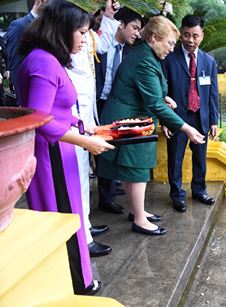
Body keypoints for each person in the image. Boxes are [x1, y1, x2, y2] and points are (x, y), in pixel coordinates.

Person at [17, 0, 114, 295]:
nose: (86, 40)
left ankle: (77, 279)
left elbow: (56, 110)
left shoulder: (46, 59)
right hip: (52, 156)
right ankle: (77, 285)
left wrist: (85, 127)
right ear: (62, 30)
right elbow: (40, 120)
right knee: (63, 219)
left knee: (70, 215)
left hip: (61, 150)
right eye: (82, 32)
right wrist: (85, 141)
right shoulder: (44, 62)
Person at [97, 15, 205, 235]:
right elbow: (153, 103)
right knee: (137, 169)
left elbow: (150, 92)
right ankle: (139, 219)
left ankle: (138, 211)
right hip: (129, 119)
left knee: (132, 169)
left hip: (132, 117)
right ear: (155, 38)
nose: (172, 48)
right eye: (170, 43)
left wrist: (163, 98)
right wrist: (185, 128)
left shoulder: (146, 54)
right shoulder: (145, 60)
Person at [66, 0, 120, 258]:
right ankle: (81, 237)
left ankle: (85, 224)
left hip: (85, 118)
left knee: (83, 179)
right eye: (82, 31)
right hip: (71, 123)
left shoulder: (89, 39)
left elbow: (107, 42)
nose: (86, 38)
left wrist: (111, 13)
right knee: (75, 179)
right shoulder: (62, 50)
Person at [162, 15, 219, 212]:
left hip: (200, 116)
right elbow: (163, 90)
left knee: (200, 157)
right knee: (175, 157)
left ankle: (199, 190)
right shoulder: (169, 58)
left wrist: (213, 120)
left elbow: (212, 93)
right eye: (186, 35)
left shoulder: (209, 61)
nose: (190, 40)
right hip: (177, 117)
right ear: (181, 34)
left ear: (202, 35)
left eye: (195, 35)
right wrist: (164, 119)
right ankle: (177, 194)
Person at [95, 7, 143, 215]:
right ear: (120, 24)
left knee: (114, 147)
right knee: (101, 150)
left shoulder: (131, 51)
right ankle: (106, 198)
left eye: (139, 29)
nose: (137, 33)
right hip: (97, 102)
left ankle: (110, 193)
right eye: (133, 27)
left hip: (118, 104)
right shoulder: (99, 45)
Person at [5, 0, 48, 98]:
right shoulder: (19, 26)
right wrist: (22, 98)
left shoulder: (52, 26)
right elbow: (16, 65)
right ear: (38, 2)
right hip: (31, 92)